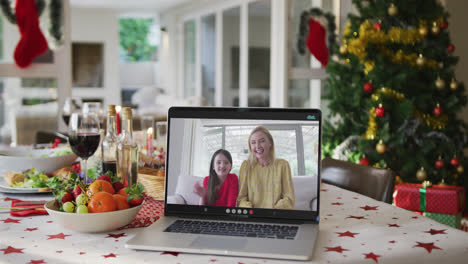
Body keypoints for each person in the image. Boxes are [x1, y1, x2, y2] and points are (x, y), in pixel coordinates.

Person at [237, 126, 295, 209]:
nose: (257, 146)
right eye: (253, 142)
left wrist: (273, 211)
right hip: (253, 216)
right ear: (250, 146)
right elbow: (241, 199)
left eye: (262, 141)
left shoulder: (283, 165)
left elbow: (289, 199)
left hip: (276, 216)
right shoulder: (246, 166)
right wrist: (252, 211)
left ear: (270, 143)